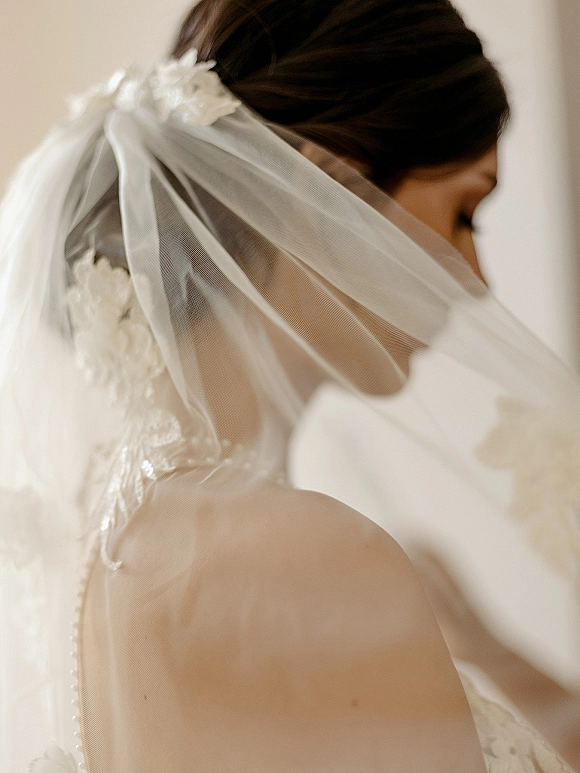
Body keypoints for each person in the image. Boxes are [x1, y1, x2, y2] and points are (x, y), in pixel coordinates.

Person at [0, 1, 578, 771]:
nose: (476, 282)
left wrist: (483, 645)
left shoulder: (111, 531)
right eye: (464, 211)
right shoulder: (319, 558)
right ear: (326, 194)